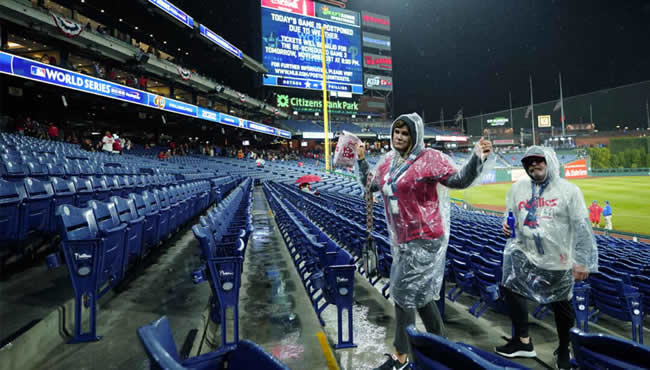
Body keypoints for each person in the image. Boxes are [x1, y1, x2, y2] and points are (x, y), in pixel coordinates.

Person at [357, 113, 493, 370]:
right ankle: (442, 346)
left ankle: (401, 357)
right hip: (402, 240)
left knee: (403, 294)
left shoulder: (429, 158)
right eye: (396, 132)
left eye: (405, 133)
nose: (399, 137)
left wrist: (477, 157)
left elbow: (458, 180)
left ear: (415, 136)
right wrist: (362, 161)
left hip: (426, 238)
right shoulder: (388, 162)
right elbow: (370, 185)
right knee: (420, 297)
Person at [497, 146, 598, 370]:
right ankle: (523, 341)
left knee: (562, 307)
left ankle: (564, 348)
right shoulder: (518, 188)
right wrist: (505, 224)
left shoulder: (569, 190)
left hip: (558, 260)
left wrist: (582, 261)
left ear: (549, 162)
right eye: (529, 162)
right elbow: (510, 213)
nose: (534, 165)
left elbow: (582, 228)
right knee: (510, 288)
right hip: (524, 256)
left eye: (538, 160)